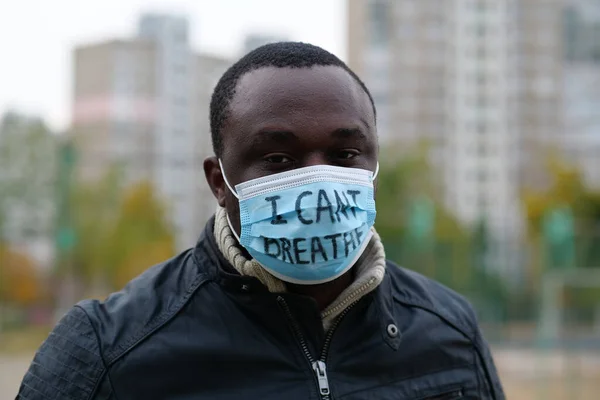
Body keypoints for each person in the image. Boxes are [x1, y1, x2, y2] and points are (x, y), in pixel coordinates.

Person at [18, 42, 505, 400]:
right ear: (218, 180)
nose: (318, 180)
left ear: (374, 169)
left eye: (346, 153)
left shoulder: (449, 329)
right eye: (278, 157)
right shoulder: (108, 350)